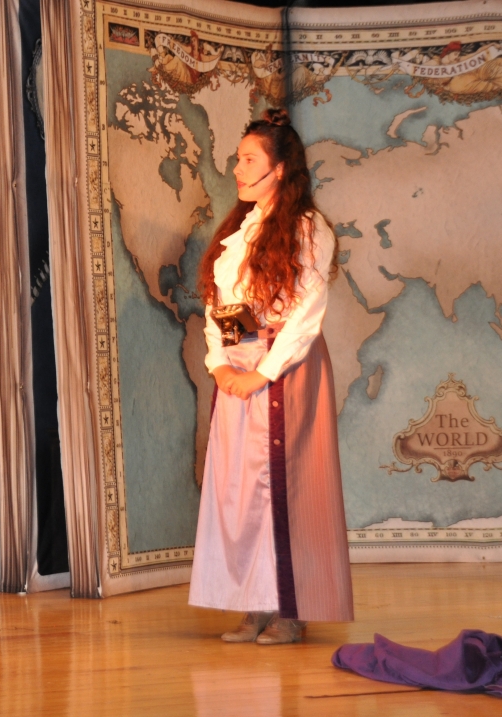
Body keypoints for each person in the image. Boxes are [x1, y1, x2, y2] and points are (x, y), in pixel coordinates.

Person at [188, 108, 353, 644]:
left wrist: (262, 373)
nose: (237, 169)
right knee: (242, 490)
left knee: (287, 486)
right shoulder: (240, 230)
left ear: (279, 168)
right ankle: (254, 601)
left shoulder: (306, 228)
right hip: (240, 368)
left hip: (286, 371)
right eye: (238, 159)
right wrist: (221, 364)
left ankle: (291, 608)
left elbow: (306, 313)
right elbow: (222, 307)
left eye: (248, 160)